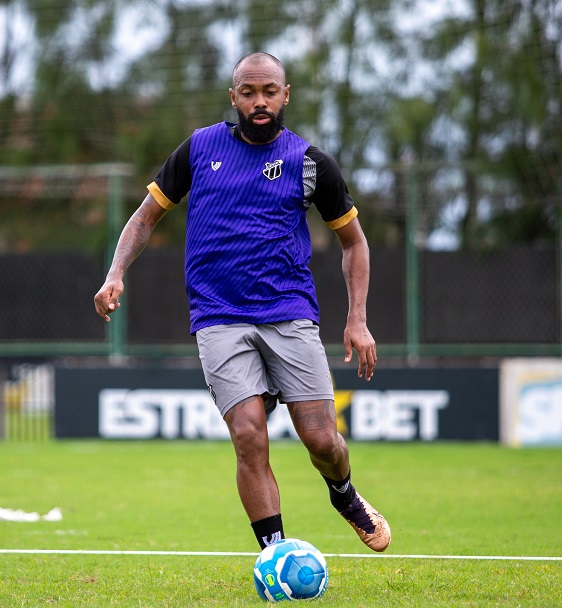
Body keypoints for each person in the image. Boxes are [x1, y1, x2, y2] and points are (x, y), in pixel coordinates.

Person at [94, 53, 391, 552]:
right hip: (219, 318)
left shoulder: (311, 163)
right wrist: (115, 272)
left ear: (285, 95)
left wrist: (357, 320)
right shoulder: (198, 148)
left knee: (322, 440)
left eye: (269, 91)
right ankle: (276, 555)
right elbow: (144, 218)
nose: (259, 101)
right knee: (249, 435)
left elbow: (354, 243)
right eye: (248, 92)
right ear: (233, 96)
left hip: (290, 314)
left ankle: (343, 494)